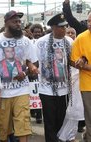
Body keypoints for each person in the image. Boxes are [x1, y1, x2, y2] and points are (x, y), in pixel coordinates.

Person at [0, 10, 39, 142]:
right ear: (6, 22)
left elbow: (34, 61)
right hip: (1, 91)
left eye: (19, 21)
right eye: (15, 21)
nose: (18, 24)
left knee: (23, 122)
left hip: (21, 89)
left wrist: (26, 72)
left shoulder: (25, 41)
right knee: (3, 126)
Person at [34, 13, 74, 142]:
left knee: (61, 120)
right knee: (50, 121)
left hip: (64, 89)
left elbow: (72, 61)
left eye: (65, 27)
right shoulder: (41, 42)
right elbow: (35, 62)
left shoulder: (69, 41)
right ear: (53, 28)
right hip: (47, 89)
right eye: (61, 27)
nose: (64, 30)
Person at [70, 12, 91, 142]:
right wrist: (80, 62)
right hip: (87, 85)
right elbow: (73, 61)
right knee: (89, 118)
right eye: (89, 21)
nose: (90, 24)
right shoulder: (81, 38)